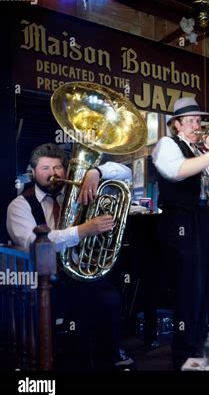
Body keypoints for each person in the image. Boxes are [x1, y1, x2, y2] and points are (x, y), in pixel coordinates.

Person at [6, 143, 134, 370]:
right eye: (45, 168)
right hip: (44, 278)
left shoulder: (79, 191)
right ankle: (73, 359)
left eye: (58, 167)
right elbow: (34, 243)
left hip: (78, 270)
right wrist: (83, 230)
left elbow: (127, 172)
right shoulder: (19, 205)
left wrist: (96, 172)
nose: (53, 174)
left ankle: (108, 353)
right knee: (75, 306)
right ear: (33, 172)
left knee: (111, 298)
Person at [152, 97, 209, 370]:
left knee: (206, 285)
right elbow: (176, 171)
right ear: (176, 125)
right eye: (190, 121)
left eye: (199, 121)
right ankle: (184, 353)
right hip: (183, 218)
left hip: (208, 217)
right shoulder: (168, 144)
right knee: (190, 287)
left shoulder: (201, 150)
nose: (196, 125)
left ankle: (197, 344)